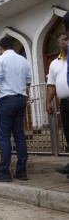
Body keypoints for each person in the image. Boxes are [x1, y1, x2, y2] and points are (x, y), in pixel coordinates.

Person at [0, 37, 32, 182]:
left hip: (7, 100)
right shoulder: (24, 60)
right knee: (19, 135)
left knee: (4, 136)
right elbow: (28, 82)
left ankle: (4, 172)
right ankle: (21, 171)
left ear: (1, 48)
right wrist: (25, 97)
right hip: (20, 99)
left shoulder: (0, 60)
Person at [48, 12, 69, 178]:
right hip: (64, 102)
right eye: (64, 39)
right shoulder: (55, 63)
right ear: (58, 43)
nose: (67, 41)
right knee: (68, 133)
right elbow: (51, 84)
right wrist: (48, 101)